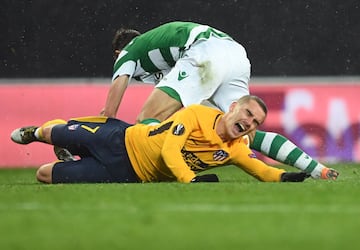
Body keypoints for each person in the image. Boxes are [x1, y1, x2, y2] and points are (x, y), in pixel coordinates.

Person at [99, 21, 338, 180]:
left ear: (117, 53)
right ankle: (318, 169)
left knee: (148, 117)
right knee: (248, 132)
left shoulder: (128, 52)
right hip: (236, 55)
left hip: (208, 54)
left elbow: (112, 104)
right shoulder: (158, 51)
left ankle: (146, 169)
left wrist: (101, 129)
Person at [11, 95, 310, 184]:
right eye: (247, 113)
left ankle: (70, 156)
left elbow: (262, 170)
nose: (249, 123)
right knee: (54, 132)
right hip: (121, 138)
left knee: (43, 175)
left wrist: (289, 178)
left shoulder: (234, 149)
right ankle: (36, 133)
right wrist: (189, 180)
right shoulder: (195, 114)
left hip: (126, 173)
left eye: (256, 122)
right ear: (233, 107)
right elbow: (170, 150)